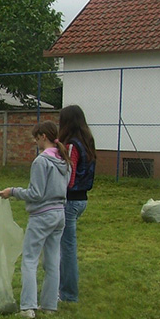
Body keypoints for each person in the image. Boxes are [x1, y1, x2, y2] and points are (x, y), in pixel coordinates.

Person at [0, 121, 70, 318]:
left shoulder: (41, 161)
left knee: (29, 259)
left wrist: (12, 191)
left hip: (42, 216)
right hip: (59, 214)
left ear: (43, 137)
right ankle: (49, 306)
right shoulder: (64, 160)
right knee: (53, 261)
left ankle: (28, 307)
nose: (35, 142)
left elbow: (36, 193)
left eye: (36, 138)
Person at [58, 105, 97, 303]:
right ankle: (63, 289)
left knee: (67, 249)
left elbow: (69, 179)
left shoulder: (72, 145)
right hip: (82, 200)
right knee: (65, 247)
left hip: (71, 201)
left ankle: (68, 294)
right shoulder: (88, 141)